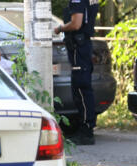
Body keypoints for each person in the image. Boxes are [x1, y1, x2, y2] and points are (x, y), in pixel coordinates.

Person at [54, 0, 99, 145]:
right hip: (83, 45)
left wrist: (60, 28)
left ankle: (86, 131)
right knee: (83, 88)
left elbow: (76, 23)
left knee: (81, 88)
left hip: (78, 47)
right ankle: (84, 127)